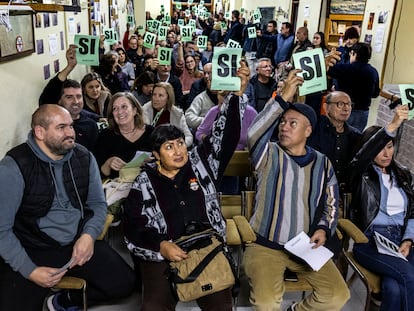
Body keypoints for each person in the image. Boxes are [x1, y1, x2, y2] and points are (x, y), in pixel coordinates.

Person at [122, 60, 250, 310]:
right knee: (154, 307)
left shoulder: (201, 163)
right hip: (165, 252)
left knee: (221, 307)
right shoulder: (143, 183)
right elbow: (133, 226)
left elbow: (224, 136)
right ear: (156, 155)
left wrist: (236, 96)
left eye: (180, 143)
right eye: (169, 147)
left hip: (205, 247)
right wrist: (161, 246)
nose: (179, 151)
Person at [0, 105, 135, 311]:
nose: (70, 133)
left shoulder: (84, 156)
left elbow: (98, 205)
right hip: (33, 246)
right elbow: (2, 230)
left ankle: (63, 300)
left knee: (125, 284)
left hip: (77, 242)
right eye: (61, 127)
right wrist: (30, 271)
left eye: (70, 126)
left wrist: (88, 236)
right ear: (40, 132)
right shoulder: (14, 166)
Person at [243, 69, 350, 310]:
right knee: (267, 302)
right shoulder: (268, 154)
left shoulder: (323, 163)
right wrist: (282, 99)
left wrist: (324, 228)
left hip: (305, 246)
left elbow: (332, 205)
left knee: (337, 294)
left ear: (308, 131)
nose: (284, 127)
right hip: (265, 245)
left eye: (293, 123)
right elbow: (254, 133)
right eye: (282, 122)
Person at [349, 105, 413, 311]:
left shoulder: (403, 174)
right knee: (408, 275)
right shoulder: (360, 174)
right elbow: (362, 157)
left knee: (393, 289)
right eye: (380, 147)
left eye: (390, 146)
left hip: (401, 240)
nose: (386, 153)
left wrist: (408, 239)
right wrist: (392, 125)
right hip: (371, 241)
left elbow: (413, 212)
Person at [308, 91, 361, 194]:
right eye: (340, 104)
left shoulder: (355, 135)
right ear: (326, 107)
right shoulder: (314, 128)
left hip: (340, 193)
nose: (346, 109)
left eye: (349, 104)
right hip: (314, 187)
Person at [94, 92, 153, 178]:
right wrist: (109, 163)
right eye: (115, 109)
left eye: (124, 107)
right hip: (118, 186)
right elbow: (98, 174)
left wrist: (152, 163)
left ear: (134, 110)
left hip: (147, 183)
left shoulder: (151, 132)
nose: (119, 112)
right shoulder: (105, 136)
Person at [328, 42, 380, 131]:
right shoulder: (373, 72)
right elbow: (375, 93)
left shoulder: (345, 68)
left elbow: (327, 70)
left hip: (344, 108)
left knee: (338, 135)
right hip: (362, 111)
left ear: (353, 53)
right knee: (355, 139)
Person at [142, 82, 193, 146]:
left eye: (160, 95)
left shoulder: (177, 113)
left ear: (168, 98)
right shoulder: (144, 110)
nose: (156, 99)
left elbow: (189, 137)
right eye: (154, 94)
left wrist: (178, 145)